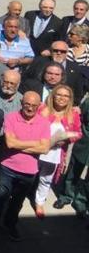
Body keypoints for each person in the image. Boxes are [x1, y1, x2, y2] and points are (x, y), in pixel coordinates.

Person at [0, 91, 50, 240]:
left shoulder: (44, 123)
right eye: (27, 104)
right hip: (7, 166)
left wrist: (18, 145)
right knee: (2, 197)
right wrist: (35, 143)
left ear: (39, 106)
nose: (30, 108)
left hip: (29, 170)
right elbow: (9, 143)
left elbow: (45, 148)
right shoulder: (11, 117)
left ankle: (10, 224)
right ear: (21, 103)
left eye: (34, 105)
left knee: (17, 202)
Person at [34, 84, 82, 217]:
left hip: (55, 153)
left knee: (46, 179)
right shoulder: (42, 109)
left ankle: (39, 202)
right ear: (53, 95)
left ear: (70, 99)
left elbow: (78, 133)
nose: (62, 98)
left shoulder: (73, 114)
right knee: (30, 176)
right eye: (59, 94)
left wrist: (66, 140)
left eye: (66, 96)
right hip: (37, 149)